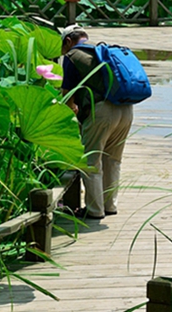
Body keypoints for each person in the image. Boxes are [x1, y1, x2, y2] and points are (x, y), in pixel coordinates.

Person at [60, 24, 134, 220]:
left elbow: (67, 93)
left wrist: (73, 114)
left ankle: (94, 210)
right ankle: (110, 206)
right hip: (126, 109)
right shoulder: (103, 52)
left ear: (68, 41)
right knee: (113, 160)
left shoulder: (72, 56)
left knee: (91, 161)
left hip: (101, 110)